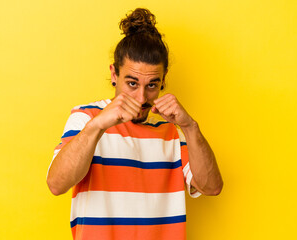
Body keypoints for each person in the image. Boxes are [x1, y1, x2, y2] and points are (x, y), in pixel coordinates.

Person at [47, 8, 223, 240]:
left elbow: (212, 187)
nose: (141, 99)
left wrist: (190, 126)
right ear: (114, 74)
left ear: (163, 80)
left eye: (152, 85)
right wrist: (98, 126)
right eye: (132, 83)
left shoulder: (172, 132)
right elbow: (56, 184)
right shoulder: (86, 119)